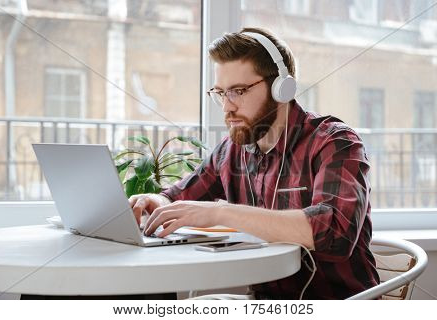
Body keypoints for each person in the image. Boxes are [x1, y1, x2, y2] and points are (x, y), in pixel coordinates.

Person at [129, 27, 379, 300]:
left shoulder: (334, 142)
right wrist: (157, 202)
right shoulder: (231, 150)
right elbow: (179, 198)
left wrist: (221, 213)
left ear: (281, 88)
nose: (227, 107)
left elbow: (334, 233)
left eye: (238, 91)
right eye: (221, 93)